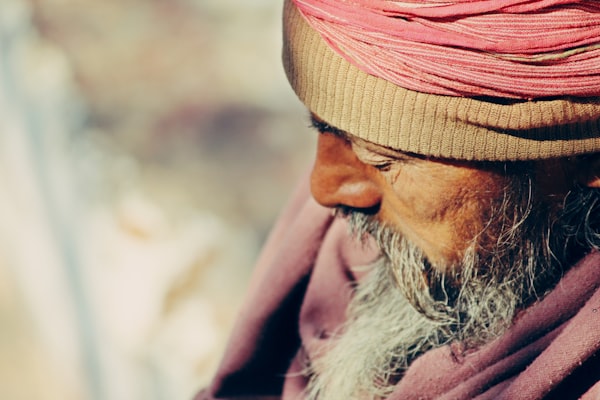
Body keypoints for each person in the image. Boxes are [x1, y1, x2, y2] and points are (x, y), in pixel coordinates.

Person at [196, 0, 600, 398]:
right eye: (323, 127)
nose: (323, 188)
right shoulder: (335, 256)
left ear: (587, 160)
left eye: (384, 160)